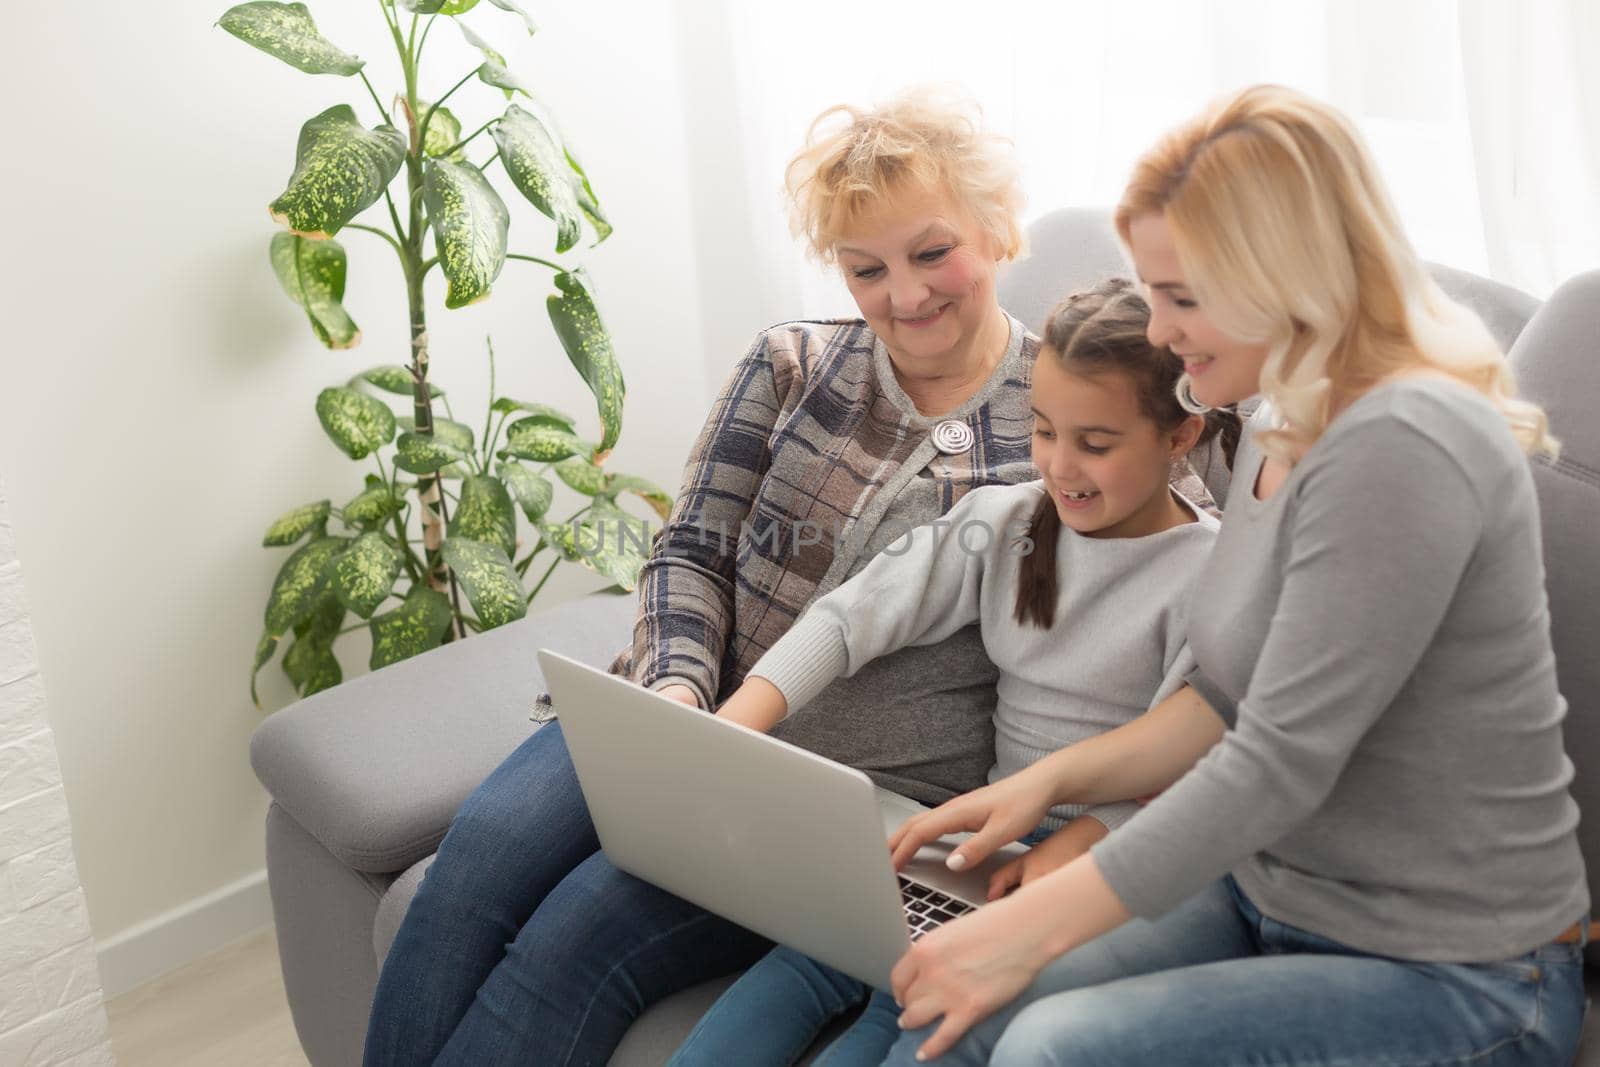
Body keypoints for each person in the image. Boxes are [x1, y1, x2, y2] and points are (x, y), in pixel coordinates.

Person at [364, 88, 1212, 1066]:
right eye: (866, 268)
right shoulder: (791, 362)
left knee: (571, 939)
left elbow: (1198, 530)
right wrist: (681, 690)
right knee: (473, 863)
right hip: (679, 710)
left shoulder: (1073, 403)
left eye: (932, 253)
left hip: (847, 794)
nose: (904, 295)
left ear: (996, 231)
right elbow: (688, 548)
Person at [881, 83, 1589, 1067]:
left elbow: (1278, 758)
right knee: (945, 1019)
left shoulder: (1406, 442)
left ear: (1282, 280)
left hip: (1455, 972)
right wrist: (1048, 781)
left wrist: (1030, 928)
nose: (1158, 330)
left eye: (1180, 296)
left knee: (1051, 1044)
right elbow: (1223, 693)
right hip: (1267, 891)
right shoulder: (1275, 414)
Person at [666, 278, 1234, 1067]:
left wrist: (1071, 847)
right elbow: (850, 616)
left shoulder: (1213, 575)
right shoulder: (1004, 522)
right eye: (1043, 431)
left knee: (910, 1021)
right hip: (969, 845)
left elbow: (1194, 782)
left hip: (1085, 866)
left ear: (1181, 438)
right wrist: (737, 726)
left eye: (1095, 443)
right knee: (793, 973)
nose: (1062, 466)